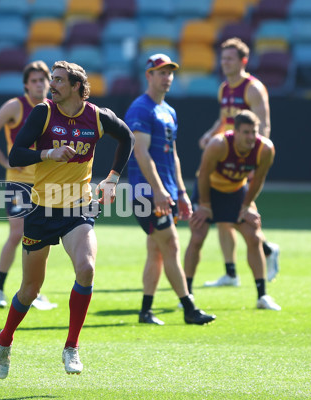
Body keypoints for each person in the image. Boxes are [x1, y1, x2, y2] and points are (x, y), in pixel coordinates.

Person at [0, 61, 134, 378]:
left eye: (57, 80)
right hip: (41, 209)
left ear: (75, 87)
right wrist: (47, 155)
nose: (51, 85)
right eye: (51, 79)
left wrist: (112, 179)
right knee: (30, 289)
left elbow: (127, 138)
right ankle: (4, 341)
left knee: (86, 268)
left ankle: (71, 346)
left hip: (78, 208)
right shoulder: (43, 112)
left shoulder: (97, 117)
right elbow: (16, 155)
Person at [125, 53, 216, 326]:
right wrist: (158, 190)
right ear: (148, 75)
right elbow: (140, 153)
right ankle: (189, 307)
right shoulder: (141, 108)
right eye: (161, 72)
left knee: (156, 250)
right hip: (146, 192)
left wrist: (181, 192)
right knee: (172, 244)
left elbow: (172, 154)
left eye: (170, 72)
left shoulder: (169, 111)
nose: (167, 77)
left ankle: (145, 311)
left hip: (163, 191)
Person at [195, 37, 280, 289]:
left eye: (230, 58)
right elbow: (224, 120)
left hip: (243, 161)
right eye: (223, 58)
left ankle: (266, 249)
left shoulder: (253, 88)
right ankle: (231, 272)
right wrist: (210, 135)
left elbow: (263, 126)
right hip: (225, 155)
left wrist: (254, 162)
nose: (225, 62)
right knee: (224, 218)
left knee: (243, 214)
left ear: (243, 61)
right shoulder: (224, 88)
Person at [184, 110, 281, 311]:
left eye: (253, 132)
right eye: (245, 132)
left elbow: (258, 180)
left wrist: (247, 206)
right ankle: (186, 295)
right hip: (209, 191)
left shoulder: (265, 149)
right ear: (234, 132)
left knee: (254, 236)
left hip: (237, 192)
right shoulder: (218, 145)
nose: (251, 137)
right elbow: (202, 175)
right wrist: (205, 206)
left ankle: (262, 296)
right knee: (198, 236)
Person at [0, 61, 56, 311]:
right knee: (17, 234)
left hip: (45, 183)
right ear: (26, 85)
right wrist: (6, 161)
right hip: (19, 183)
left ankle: (33, 291)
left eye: (43, 80)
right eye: (34, 80)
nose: (39, 84)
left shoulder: (53, 108)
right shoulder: (16, 106)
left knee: (41, 239)